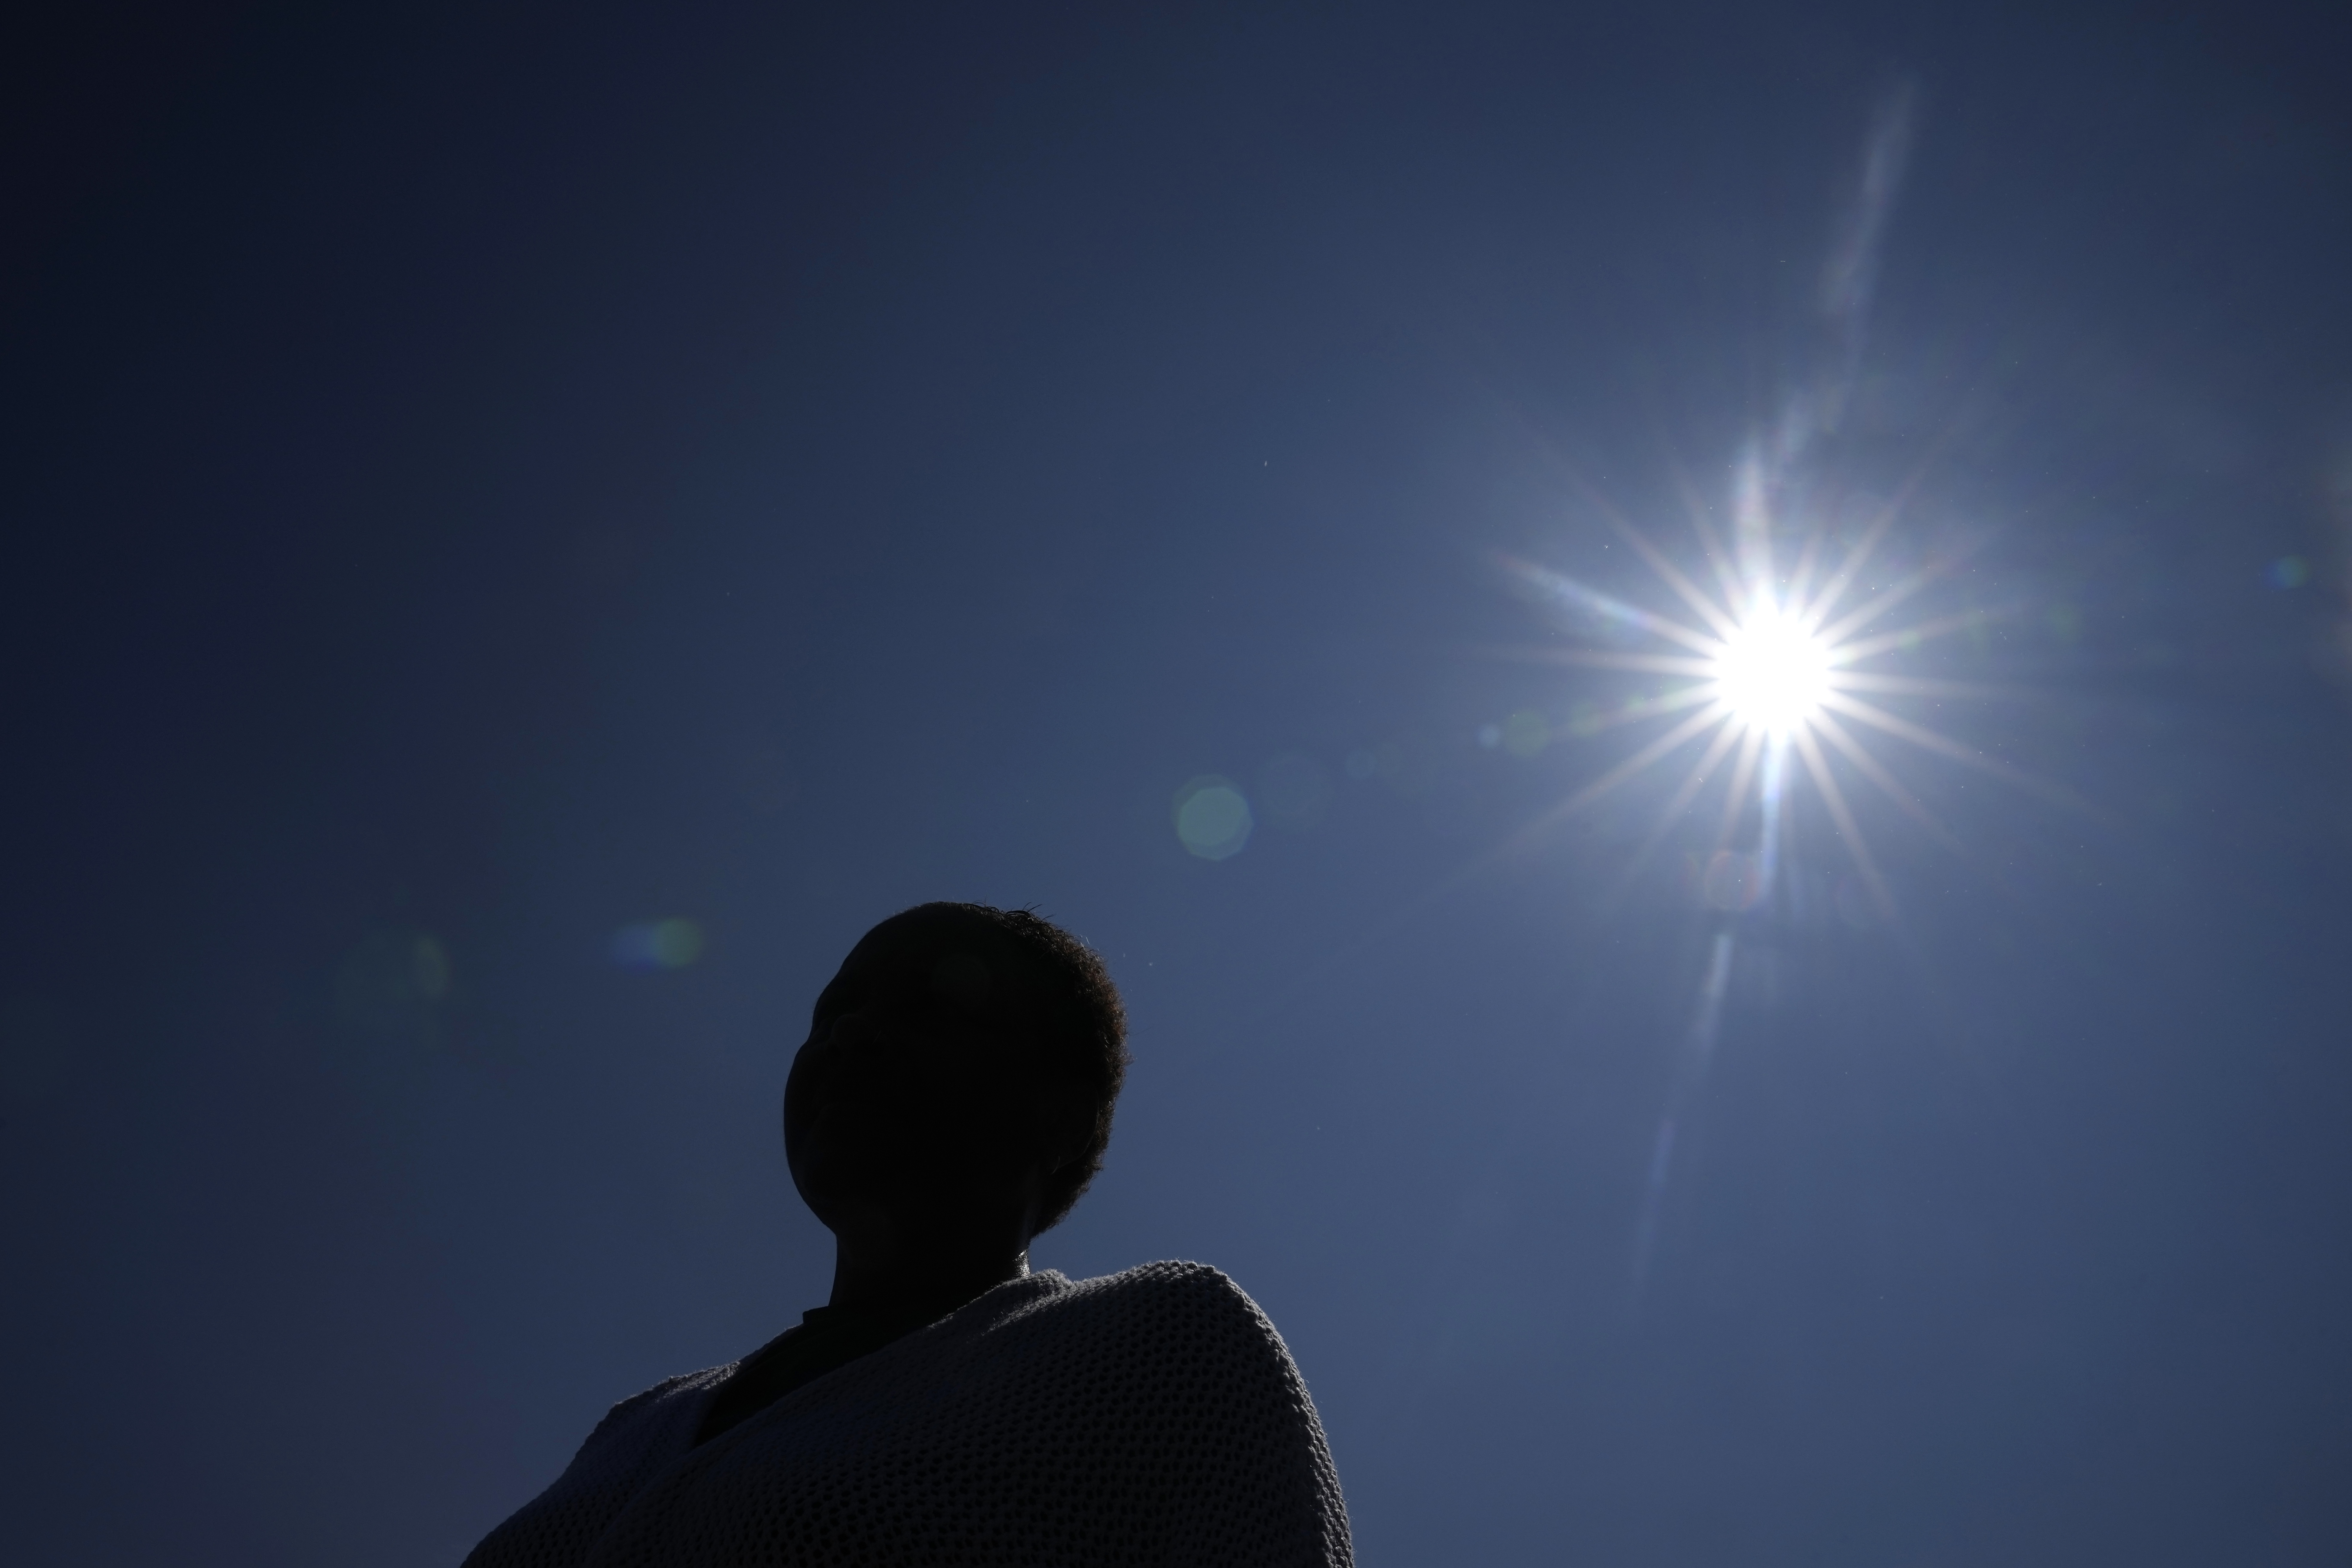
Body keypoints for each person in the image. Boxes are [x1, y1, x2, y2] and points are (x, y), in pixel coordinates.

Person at [463, 901, 1352, 1568]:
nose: (849, 1034)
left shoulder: (1159, 1343)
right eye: (830, 1012)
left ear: (1060, 1114)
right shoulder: (636, 1424)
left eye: (930, 1011)